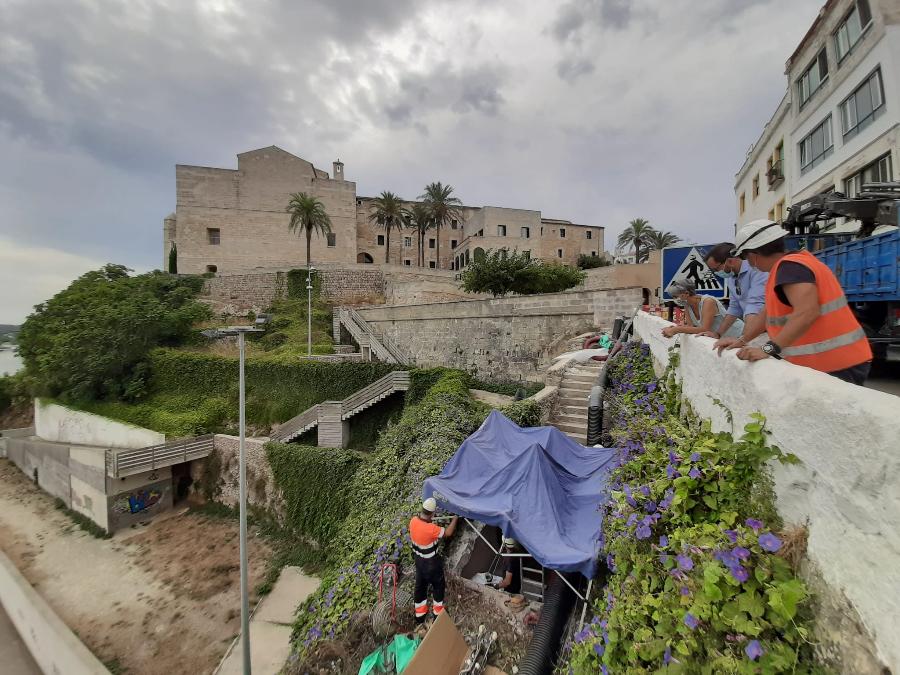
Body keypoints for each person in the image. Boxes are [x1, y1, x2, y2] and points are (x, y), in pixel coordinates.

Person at [731, 220, 873, 385]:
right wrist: (742, 340)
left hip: (837, 361)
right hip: (835, 359)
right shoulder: (788, 266)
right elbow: (767, 312)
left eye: (745, 256)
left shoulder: (790, 268)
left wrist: (768, 349)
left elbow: (807, 312)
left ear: (753, 255)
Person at [702, 236, 770, 354]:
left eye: (716, 269)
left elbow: (755, 306)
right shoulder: (732, 278)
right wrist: (718, 334)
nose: (716, 273)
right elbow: (734, 308)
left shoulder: (757, 270)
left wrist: (742, 339)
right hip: (754, 332)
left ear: (730, 261)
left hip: (769, 332)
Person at [409, 497, 458, 627]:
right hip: (431, 564)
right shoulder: (431, 529)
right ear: (432, 513)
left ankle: (420, 616)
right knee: (438, 586)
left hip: (419, 562)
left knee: (420, 587)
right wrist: (455, 518)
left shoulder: (413, 521)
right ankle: (437, 614)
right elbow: (448, 533)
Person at [661, 280, 744, 339]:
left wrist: (677, 329)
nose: (675, 299)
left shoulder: (708, 301)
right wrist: (675, 328)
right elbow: (691, 327)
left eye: (676, 296)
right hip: (723, 338)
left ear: (686, 293)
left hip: (739, 335)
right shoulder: (687, 305)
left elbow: (705, 329)